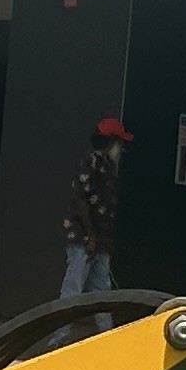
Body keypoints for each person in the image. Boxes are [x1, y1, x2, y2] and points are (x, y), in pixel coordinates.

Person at [60, 116, 131, 297]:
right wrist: (90, 235)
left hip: (101, 240)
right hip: (83, 238)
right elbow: (80, 200)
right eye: (120, 144)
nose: (122, 149)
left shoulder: (107, 167)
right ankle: (64, 318)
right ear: (111, 142)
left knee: (101, 290)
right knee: (73, 288)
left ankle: (104, 318)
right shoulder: (90, 163)